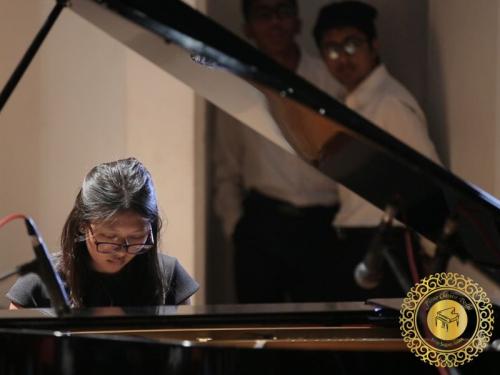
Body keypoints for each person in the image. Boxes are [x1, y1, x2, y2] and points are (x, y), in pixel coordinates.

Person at [213, 0, 344, 303]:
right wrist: (237, 228)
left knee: (319, 336)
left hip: (323, 226)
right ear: (248, 28)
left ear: (297, 22)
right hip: (262, 223)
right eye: (263, 15)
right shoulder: (238, 84)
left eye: (283, 12)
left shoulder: (329, 78)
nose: (275, 23)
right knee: (259, 334)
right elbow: (226, 165)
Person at [313, 1, 441, 300]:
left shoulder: (390, 103)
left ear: (374, 45)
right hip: (359, 244)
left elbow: (431, 182)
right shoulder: (351, 102)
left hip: (388, 249)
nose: (342, 58)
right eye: (331, 49)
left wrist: (434, 261)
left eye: (352, 44)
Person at [7, 157, 199, 309]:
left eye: (136, 237)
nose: (122, 251)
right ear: (82, 225)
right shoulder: (38, 283)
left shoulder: (169, 275)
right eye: (108, 237)